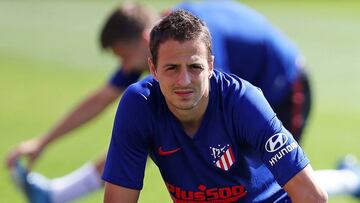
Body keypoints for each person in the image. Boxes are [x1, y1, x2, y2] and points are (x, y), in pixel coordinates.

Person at [5, 1, 360, 202]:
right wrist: (44, 142)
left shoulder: (205, 61)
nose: (183, 79)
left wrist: (65, 190)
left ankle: (347, 179)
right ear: (153, 63)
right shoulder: (163, 56)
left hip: (284, 86)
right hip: (233, 99)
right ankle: (349, 177)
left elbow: (305, 191)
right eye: (170, 69)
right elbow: (103, 101)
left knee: (275, 179)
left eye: (121, 58)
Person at [103, 9, 327, 202]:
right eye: (172, 68)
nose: (184, 81)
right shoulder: (139, 106)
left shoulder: (243, 102)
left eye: (195, 67)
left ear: (210, 66)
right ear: (153, 69)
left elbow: (312, 196)